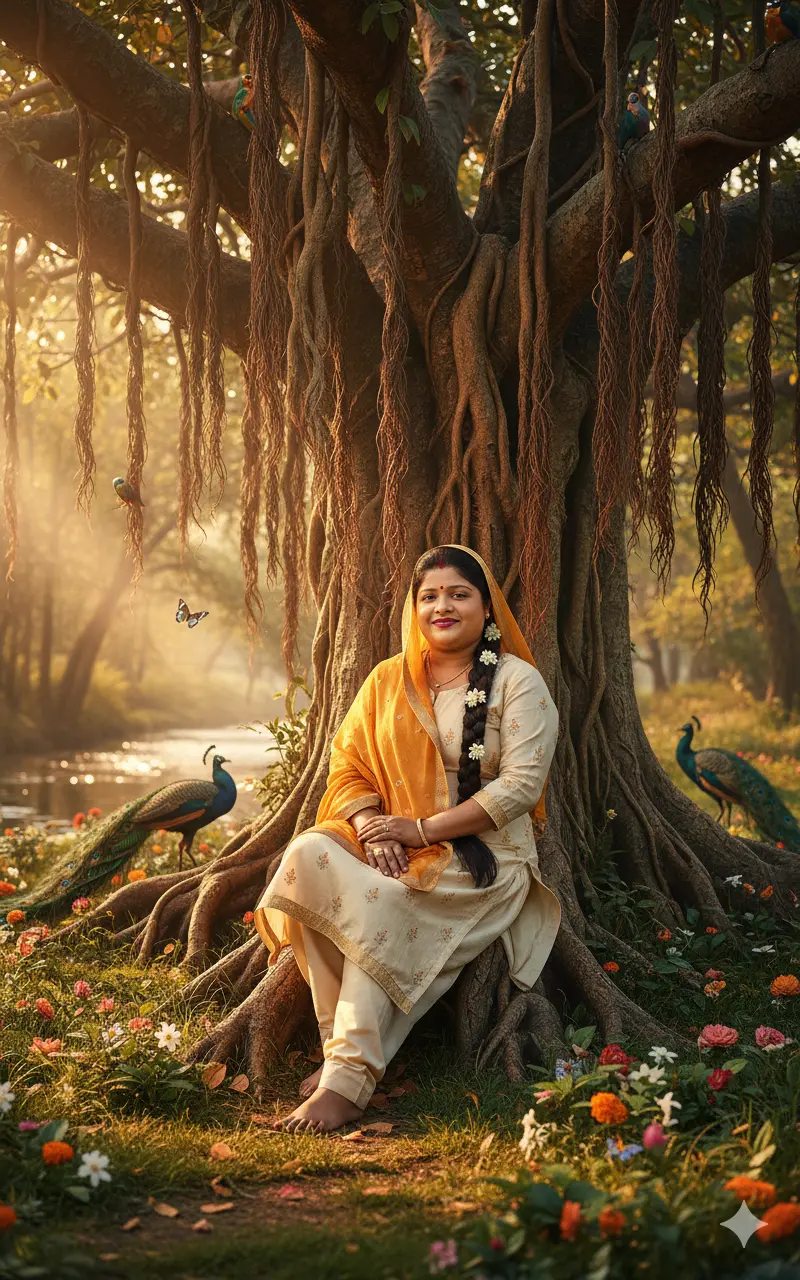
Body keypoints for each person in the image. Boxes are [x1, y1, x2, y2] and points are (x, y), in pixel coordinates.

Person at [253, 544, 561, 1132]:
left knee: (385, 906)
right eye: (429, 596)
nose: (442, 606)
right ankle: (341, 1050)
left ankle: (346, 1084)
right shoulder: (388, 680)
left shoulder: (519, 683)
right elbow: (347, 762)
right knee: (308, 856)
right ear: (413, 608)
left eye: (458, 594)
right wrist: (372, 826)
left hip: (483, 860)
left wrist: (420, 830)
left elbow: (520, 787)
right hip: (393, 842)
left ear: (487, 606)